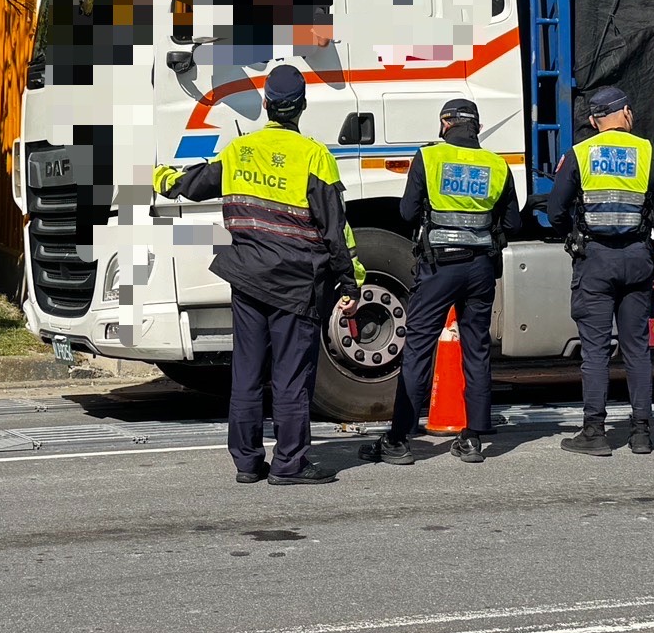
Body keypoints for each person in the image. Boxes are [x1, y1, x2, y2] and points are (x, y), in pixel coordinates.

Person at [153, 64, 365, 485]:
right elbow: (334, 228)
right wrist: (349, 283)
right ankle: (290, 463)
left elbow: (190, 184)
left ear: (266, 103)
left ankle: (247, 463)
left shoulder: (239, 150)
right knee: (290, 376)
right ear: (302, 106)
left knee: (247, 373)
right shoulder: (314, 156)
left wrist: (162, 176)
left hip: (247, 278)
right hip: (295, 284)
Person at [362, 98, 521, 467]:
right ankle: (473, 438)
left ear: (445, 124)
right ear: (477, 127)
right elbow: (512, 223)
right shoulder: (497, 165)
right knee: (476, 350)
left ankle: (399, 440)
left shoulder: (429, 157)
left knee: (418, 348)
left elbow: (406, 212)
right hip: (480, 269)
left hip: (439, 268)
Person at [548, 86, 654, 455]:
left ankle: (595, 433)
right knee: (637, 349)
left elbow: (555, 211)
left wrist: (574, 235)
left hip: (595, 260)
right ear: (626, 113)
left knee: (595, 351)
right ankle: (641, 433)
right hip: (639, 259)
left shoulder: (579, 154)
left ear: (593, 120)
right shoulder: (651, 155)